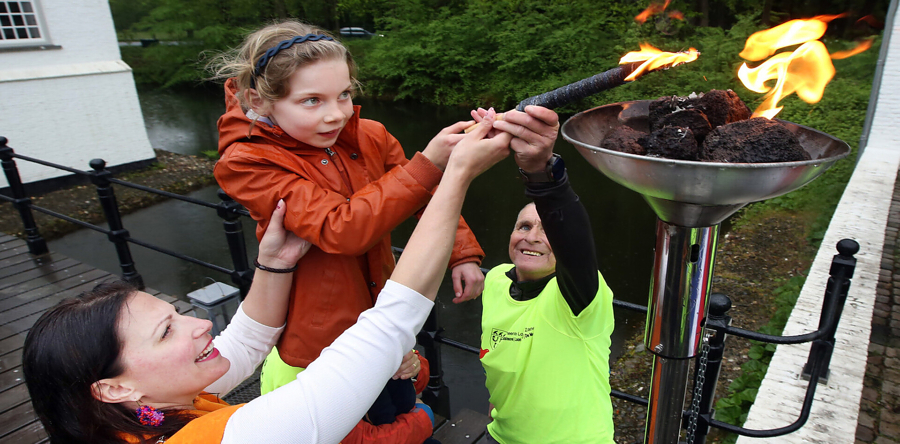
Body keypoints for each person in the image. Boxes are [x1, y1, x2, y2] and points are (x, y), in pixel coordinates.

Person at [21, 112, 513, 444]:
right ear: (113, 388)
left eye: (176, 314)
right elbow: (387, 325)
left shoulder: (146, 414)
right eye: (166, 331)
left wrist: (274, 261)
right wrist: (455, 176)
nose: (199, 325)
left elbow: (250, 338)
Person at [208, 21, 486, 442]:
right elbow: (342, 229)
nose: (336, 113)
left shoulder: (370, 135)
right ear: (258, 100)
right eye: (311, 100)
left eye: (344, 94)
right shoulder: (247, 162)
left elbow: (424, 197)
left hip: (384, 318)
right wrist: (429, 162)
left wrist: (461, 252)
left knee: (398, 404)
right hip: (320, 344)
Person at [471, 106, 616, 444]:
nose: (533, 237)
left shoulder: (579, 298)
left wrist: (542, 174)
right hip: (501, 436)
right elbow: (499, 358)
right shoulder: (496, 279)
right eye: (523, 226)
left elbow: (573, 241)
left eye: (546, 230)